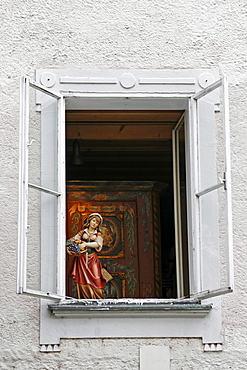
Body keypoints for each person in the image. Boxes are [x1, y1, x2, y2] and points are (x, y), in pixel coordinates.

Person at [67, 213, 106, 299]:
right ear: (89, 221)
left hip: (92, 258)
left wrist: (85, 244)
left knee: (96, 278)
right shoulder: (82, 232)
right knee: (82, 278)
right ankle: (85, 298)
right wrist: (70, 246)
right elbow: (73, 240)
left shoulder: (98, 234)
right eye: (93, 221)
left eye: (97, 223)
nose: (94, 223)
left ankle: (97, 298)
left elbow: (98, 244)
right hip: (82, 259)